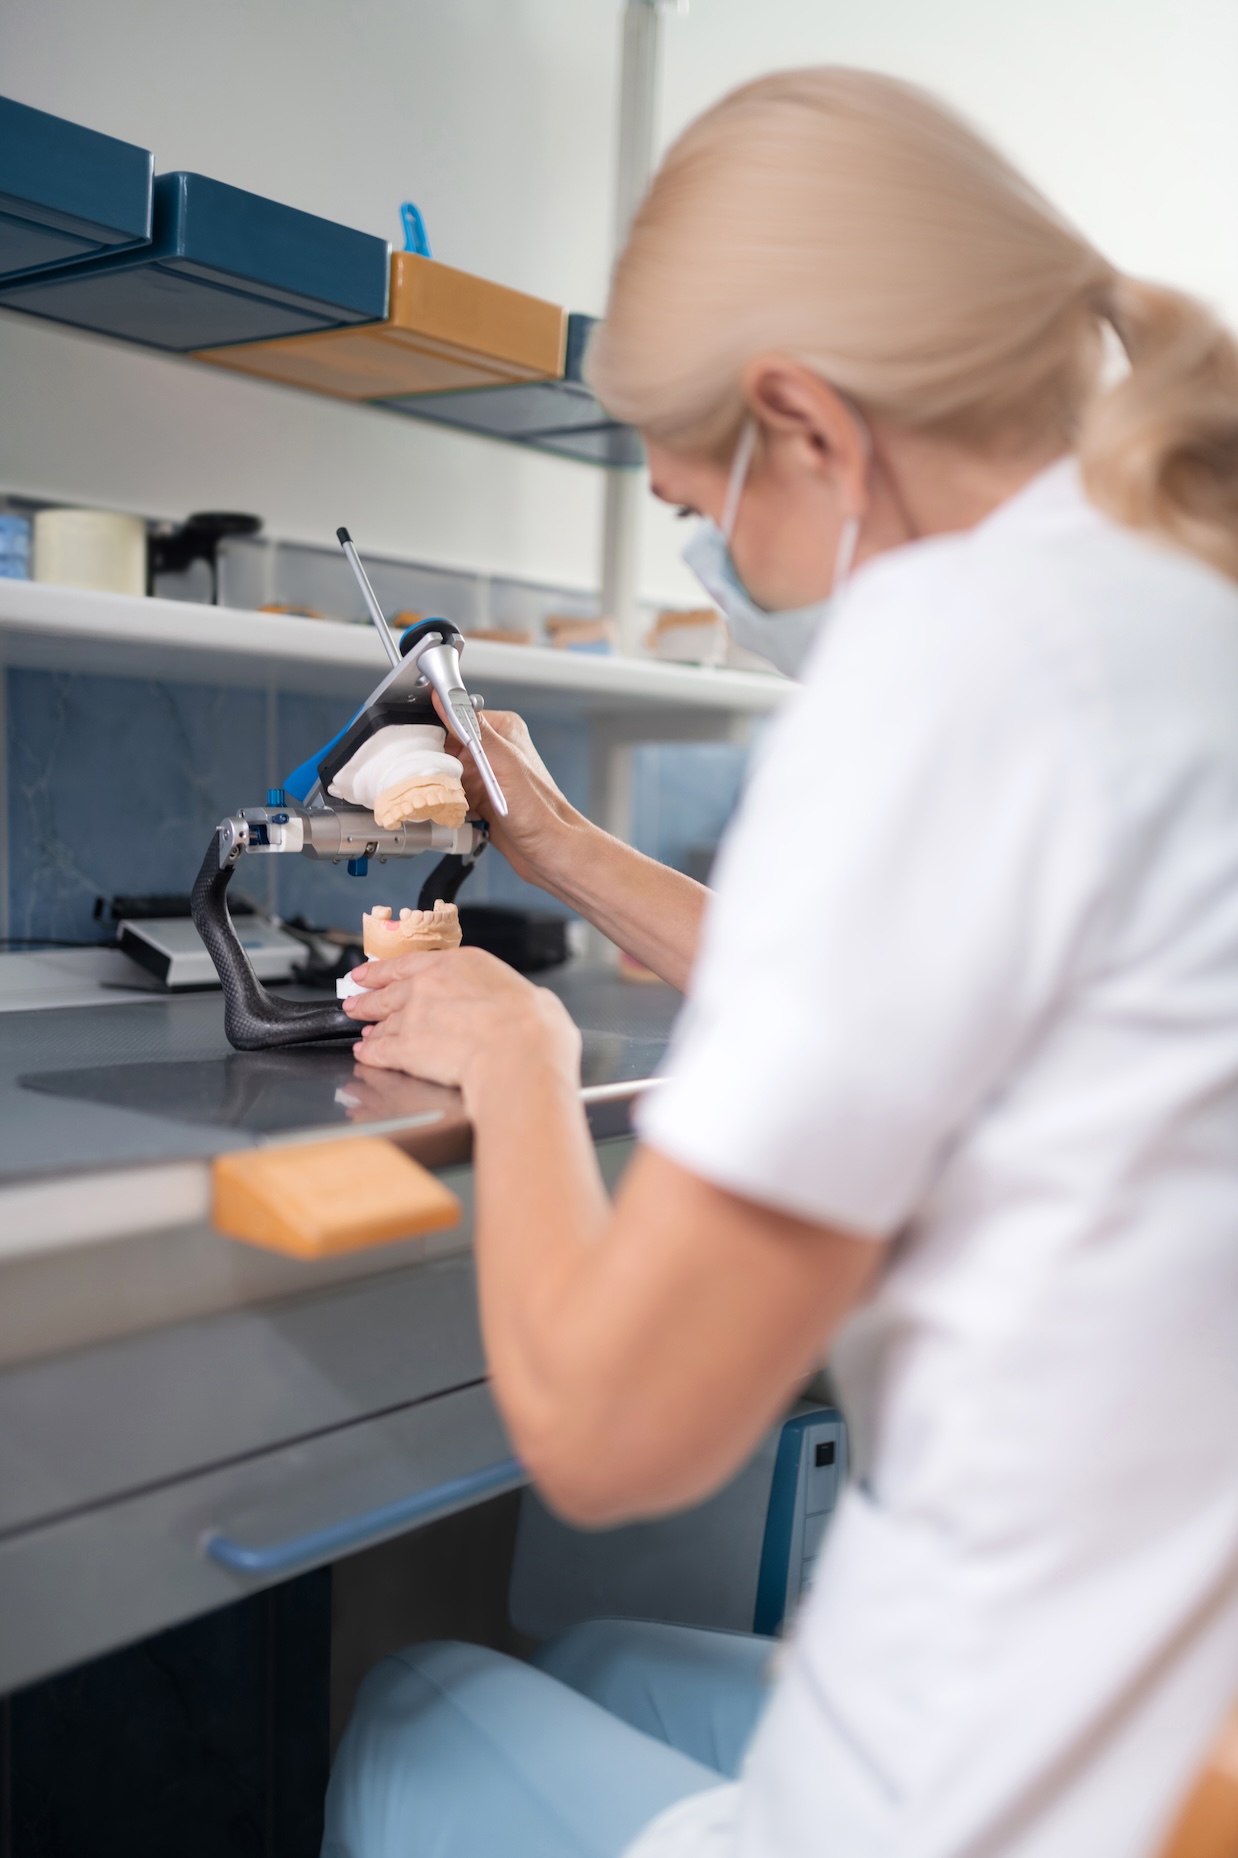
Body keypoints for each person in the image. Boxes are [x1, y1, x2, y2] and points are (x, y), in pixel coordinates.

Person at [323, 67, 1238, 1858]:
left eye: (696, 500)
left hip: (1009, 1791)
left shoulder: (942, 667)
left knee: (416, 1708)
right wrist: (568, 855)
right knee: (591, 1641)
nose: (707, 554)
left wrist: (513, 1057)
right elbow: (954, 1006)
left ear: (801, 426)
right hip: (1163, 1707)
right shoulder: (1162, 616)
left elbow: (604, 1431)